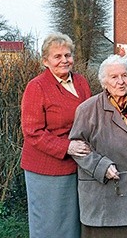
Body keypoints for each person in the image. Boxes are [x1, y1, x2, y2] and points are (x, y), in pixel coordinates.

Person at [69, 54, 127, 238]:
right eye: (114, 77)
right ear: (104, 82)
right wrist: (101, 166)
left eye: (124, 76)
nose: (120, 82)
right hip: (104, 196)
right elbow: (78, 147)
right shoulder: (88, 109)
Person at [21, 33, 92, 238]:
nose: (64, 60)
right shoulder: (37, 86)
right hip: (46, 169)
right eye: (57, 56)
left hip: (78, 165)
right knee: (49, 224)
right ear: (46, 61)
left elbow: (90, 117)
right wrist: (67, 147)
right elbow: (32, 132)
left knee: (72, 224)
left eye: (67, 55)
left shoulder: (80, 82)